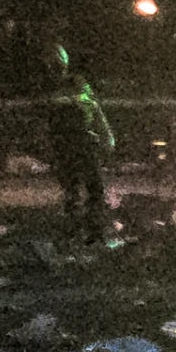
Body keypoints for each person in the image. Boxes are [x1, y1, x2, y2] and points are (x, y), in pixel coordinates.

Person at [41, 41, 114, 238]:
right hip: (64, 142)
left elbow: (94, 108)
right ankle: (73, 230)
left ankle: (95, 229)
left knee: (94, 187)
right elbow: (46, 116)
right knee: (72, 188)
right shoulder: (48, 87)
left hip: (83, 140)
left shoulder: (77, 82)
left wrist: (106, 134)